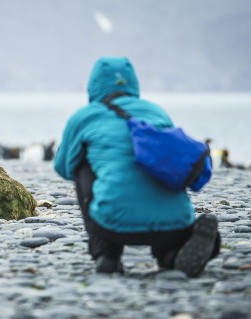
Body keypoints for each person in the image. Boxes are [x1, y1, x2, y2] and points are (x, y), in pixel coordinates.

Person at [54, 57, 220, 277]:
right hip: (174, 224)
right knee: (157, 161)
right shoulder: (156, 112)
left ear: (93, 85)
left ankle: (107, 254)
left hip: (113, 224)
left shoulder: (84, 117)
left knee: (80, 164)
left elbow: (64, 167)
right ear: (133, 83)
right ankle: (172, 255)